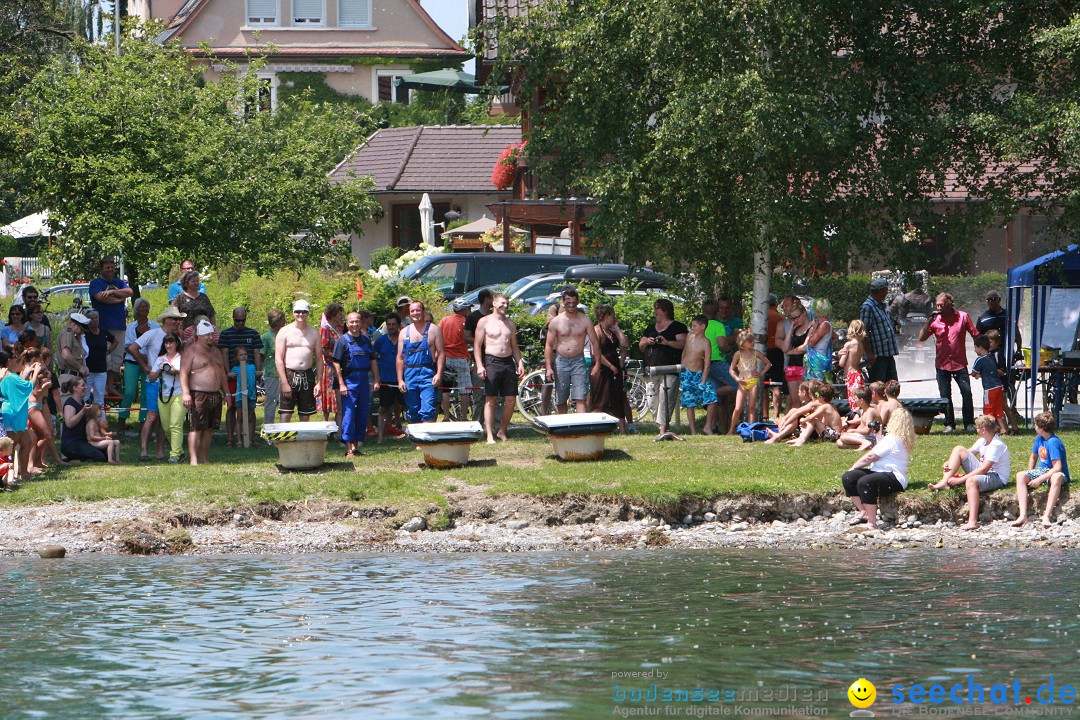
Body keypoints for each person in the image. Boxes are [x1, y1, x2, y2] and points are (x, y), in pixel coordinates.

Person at [930, 414, 1010, 530]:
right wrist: (950, 461)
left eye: (977, 427)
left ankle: (972, 521)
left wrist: (961, 479)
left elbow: (984, 469)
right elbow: (966, 453)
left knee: (971, 481)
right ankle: (944, 482)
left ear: (983, 430)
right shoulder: (982, 441)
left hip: (997, 476)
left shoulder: (996, 445)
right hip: (985, 472)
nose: (976, 430)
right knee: (958, 449)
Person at [842, 407, 915, 529]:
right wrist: (879, 438)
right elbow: (883, 451)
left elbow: (870, 456)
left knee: (865, 482)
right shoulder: (897, 439)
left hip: (894, 476)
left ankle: (872, 522)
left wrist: (854, 467)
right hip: (879, 471)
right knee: (849, 477)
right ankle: (863, 511)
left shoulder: (893, 438)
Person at [128, 307, 184, 461]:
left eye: (179, 319)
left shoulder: (177, 339)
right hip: (154, 382)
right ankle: (144, 450)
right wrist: (144, 365)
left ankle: (160, 451)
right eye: (175, 319)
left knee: (163, 420)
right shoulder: (153, 333)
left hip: (171, 383)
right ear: (166, 319)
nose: (178, 322)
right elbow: (132, 348)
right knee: (152, 417)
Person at [919, 292, 978, 433]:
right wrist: (929, 321)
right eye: (937, 305)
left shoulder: (963, 316)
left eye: (942, 305)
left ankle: (969, 423)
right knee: (945, 396)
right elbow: (921, 337)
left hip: (959, 363)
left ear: (950, 303)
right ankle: (949, 424)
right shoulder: (935, 320)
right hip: (942, 364)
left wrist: (982, 353)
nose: (939, 308)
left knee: (967, 393)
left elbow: (975, 334)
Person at [475, 293, 525, 443]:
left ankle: (502, 430)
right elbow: (477, 346)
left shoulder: (510, 323)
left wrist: (520, 362)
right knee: (491, 399)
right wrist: (479, 365)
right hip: (492, 360)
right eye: (502, 303)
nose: (505, 306)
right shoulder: (484, 322)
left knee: (511, 399)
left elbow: (514, 346)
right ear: (494, 304)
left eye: (507, 304)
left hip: (508, 361)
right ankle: (489, 434)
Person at [546, 288, 601, 415]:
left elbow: (594, 342)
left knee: (580, 397)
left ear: (578, 302)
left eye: (574, 303)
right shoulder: (556, 322)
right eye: (568, 303)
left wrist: (597, 363)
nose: (571, 306)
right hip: (561, 361)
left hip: (578, 360)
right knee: (561, 398)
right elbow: (549, 346)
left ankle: (580, 428)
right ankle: (563, 427)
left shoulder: (585, 320)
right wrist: (549, 367)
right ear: (563, 302)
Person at [181, 319, 228, 465]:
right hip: (198, 394)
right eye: (207, 335)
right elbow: (183, 373)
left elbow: (222, 373)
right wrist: (186, 393)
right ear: (199, 336)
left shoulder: (216, 352)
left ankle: (203, 457)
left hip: (215, 394)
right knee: (196, 427)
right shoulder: (191, 351)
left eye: (212, 335)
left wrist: (227, 393)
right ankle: (193, 459)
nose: (210, 337)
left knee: (209, 428)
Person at [640, 298, 687, 438]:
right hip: (651, 369)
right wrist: (647, 341)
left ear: (665, 311)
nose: (655, 311)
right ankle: (662, 425)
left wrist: (667, 342)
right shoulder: (650, 328)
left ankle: (663, 429)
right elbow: (641, 346)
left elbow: (683, 344)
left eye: (657, 308)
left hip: (670, 369)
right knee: (652, 401)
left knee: (666, 399)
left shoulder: (678, 327)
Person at [1013, 411, 1070, 528]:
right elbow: (1033, 456)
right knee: (1020, 475)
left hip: (1054, 472)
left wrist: (1039, 479)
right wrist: (1031, 472)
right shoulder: (1039, 438)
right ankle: (1023, 514)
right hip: (1042, 470)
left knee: (1057, 477)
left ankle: (1046, 516)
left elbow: (1057, 467)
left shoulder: (1053, 442)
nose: (1035, 427)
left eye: (1036, 425)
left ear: (1042, 428)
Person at [333, 312, 377, 458]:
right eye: (351, 322)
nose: (354, 324)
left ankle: (356, 447)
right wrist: (341, 384)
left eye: (357, 321)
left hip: (364, 380)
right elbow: (336, 363)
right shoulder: (342, 341)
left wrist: (376, 379)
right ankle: (348, 448)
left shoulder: (366, 340)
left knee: (362, 414)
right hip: (349, 381)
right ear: (347, 324)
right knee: (349, 414)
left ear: (361, 322)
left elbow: (372, 361)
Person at [89, 258, 134, 397]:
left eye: (112, 267)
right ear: (101, 268)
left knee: (117, 358)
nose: (110, 269)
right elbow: (100, 298)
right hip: (103, 326)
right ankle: (99, 388)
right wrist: (119, 298)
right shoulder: (96, 283)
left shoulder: (118, 282)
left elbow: (130, 292)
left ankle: (110, 386)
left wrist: (110, 292)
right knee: (105, 357)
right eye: (107, 267)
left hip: (119, 325)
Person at [396, 301, 444, 424]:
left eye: (418, 310)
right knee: (413, 411)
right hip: (410, 374)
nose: (415, 313)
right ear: (409, 313)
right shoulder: (403, 332)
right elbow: (400, 358)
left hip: (427, 373)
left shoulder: (434, 330)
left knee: (428, 409)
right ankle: (418, 442)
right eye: (412, 311)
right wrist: (400, 380)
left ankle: (428, 441)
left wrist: (438, 373)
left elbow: (442, 353)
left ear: (423, 311)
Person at [275, 300, 322, 423]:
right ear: (293, 313)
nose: (300, 315)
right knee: (286, 413)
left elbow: (319, 359)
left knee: (305, 414)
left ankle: (303, 440)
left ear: (308, 313)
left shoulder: (314, 333)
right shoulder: (284, 331)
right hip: (289, 374)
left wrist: (319, 382)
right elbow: (278, 359)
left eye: (304, 312)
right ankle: (284, 440)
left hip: (307, 374)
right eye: (298, 312)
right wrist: (284, 382)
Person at [586, 305, 630, 435]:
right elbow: (596, 352)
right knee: (601, 399)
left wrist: (617, 328)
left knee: (618, 398)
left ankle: (623, 430)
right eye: (612, 315)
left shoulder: (612, 331)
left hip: (615, 367)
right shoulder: (596, 330)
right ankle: (593, 429)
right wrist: (610, 366)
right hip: (602, 368)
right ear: (606, 316)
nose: (614, 318)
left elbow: (625, 344)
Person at [119, 297, 159, 432]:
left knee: (146, 394)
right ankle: (122, 420)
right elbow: (129, 347)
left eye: (146, 306)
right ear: (136, 310)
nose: (144, 309)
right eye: (141, 307)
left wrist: (148, 359)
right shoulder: (130, 327)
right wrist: (143, 359)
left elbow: (158, 345)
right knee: (129, 392)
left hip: (150, 363)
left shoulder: (155, 327)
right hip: (132, 362)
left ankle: (143, 422)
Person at [2, 350, 44, 479]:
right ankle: (9, 475)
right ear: (9, 360)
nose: (19, 362)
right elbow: (27, 387)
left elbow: (20, 385)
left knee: (26, 442)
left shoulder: (10, 375)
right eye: (17, 359)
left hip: (18, 413)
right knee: (10, 445)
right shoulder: (8, 376)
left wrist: (27, 373)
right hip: (12, 413)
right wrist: (36, 372)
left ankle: (23, 472)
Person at [677, 315, 718, 436]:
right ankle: (693, 431)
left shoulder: (706, 342)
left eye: (695, 326)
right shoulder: (690, 336)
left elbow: (707, 363)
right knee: (690, 403)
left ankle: (707, 426)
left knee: (712, 398)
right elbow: (685, 351)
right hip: (686, 373)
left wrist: (703, 381)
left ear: (703, 326)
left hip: (699, 374)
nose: (692, 328)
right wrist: (682, 366)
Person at [701, 299, 737, 434]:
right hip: (717, 361)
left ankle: (715, 427)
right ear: (716, 312)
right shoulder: (717, 325)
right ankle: (708, 394)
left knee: (718, 400)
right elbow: (722, 343)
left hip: (704, 363)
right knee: (737, 385)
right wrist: (729, 351)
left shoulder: (699, 326)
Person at [148, 332, 185, 463]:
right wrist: (160, 370)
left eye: (171, 342)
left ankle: (174, 455)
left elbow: (189, 373)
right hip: (163, 395)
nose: (169, 345)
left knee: (176, 425)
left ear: (177, 343)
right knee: (167, 427)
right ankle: (180, 452)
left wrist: (176, 371)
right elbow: (151, 378)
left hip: (179, 394)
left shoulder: (182, 357)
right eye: (166, 342)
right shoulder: (160, 359)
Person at [728, 329, 771, 433]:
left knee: (752, 407)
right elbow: (731, 369)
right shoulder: (738, 354)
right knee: (738, 408)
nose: (753, 343)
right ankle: (731, 430)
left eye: (753, 341)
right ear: (743, 344)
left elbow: (768, 363)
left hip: (753, 381)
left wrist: (760, 374)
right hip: (742, 383)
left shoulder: (756, 353)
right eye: (750, 341)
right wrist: (737, 378)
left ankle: (750, 430)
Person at [860, 278, 900, 383]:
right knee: (878, 387)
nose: (887, 293)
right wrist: (869, 353)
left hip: (887, 353)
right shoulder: (868, 307)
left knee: (892, 385)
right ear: (880, 291)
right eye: (885, 290)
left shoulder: (883, 305)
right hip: (877, 356)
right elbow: (864, 332)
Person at [440, 298, 474, 421]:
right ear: (464, 310)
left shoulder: (444, 320)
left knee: (445, 389)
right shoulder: (466, 322)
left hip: (446, 357)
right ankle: (464, 417)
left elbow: (438, 335)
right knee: (464, 389)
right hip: (461, 357)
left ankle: (446, 416)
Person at [60, 377, 108, 462]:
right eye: (83, 385)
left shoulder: (82, 403)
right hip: (71, 443)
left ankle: (77, 458)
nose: (86, 387)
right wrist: (83, 411)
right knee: (99, 457)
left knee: (105, 454)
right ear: (75, 388)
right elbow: (69, 424)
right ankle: (75, 460)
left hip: (82, 441)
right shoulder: (70, 403)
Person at [373, 313, 405, 442]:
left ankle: (413, 436)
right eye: (389, 324)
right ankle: (380, 438)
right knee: (383, 409)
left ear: (399, 325)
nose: (391, 327)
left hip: (402, 379)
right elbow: (373, 357)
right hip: (386, 380)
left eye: (394, 324)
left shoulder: (404, 339)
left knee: (408, 406)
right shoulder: (381, 341)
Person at [971, 335, 1008, 436]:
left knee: (988, 410)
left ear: (980, 348)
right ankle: (1003, 429)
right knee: (998, 409)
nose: (975, 350)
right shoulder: (991, 357)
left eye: (975, 348)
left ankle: (989, 429)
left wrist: (977, 374)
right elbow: (989, 370)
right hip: (999, 387)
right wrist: (981, 374)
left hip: (989, 389)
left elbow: (974, 373)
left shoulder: (980, 360)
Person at [82, 309, 118, 406]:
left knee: (99, 397)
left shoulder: (103, 332)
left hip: (101, 369)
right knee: (85, 396)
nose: (94, 320)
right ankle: (84, 418)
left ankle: (100, 419)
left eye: (96, 318)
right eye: (91, 318)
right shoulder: (84, 333)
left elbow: (115, 342)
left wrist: (108, 351)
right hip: (88, 370)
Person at [318, 303, 345, 424]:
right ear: (333, 315)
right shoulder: (325, 329)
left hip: (340, 366)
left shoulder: (339, 328)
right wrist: (336, 357)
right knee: (329, 394)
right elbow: (323, 349)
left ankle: (338, 422)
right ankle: (326, 423)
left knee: (339, 396)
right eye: (339, 314)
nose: (341, 316)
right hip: (329, 367)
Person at [226, 346, 258, 448]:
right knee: (239, 418)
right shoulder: (235, 369)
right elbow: (229, 376)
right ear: (236, 357)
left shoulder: (252, 366)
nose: (243, 356)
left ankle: (251, 439)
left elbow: (256, 375)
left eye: (245, 354)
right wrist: (229, 375)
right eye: (240, 355)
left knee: (251, 417)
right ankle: (239, 440)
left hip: (251, 395)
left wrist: (260, 373)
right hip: (240, 396)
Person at [782, 299, 811, 405]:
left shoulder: (811, 328)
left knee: (806, 400)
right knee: (794, 401)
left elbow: (805, 347)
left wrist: (791, 352)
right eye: (792, 318)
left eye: (797, 317)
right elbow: (785, 348)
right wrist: (790, 329)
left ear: (804, 313)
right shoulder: (794, 329)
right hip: (791, 367)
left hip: (803, 367)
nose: (795, 320)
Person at [836, 386, 881, 451]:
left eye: (855, 399)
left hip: (872, 437)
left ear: (862, 400)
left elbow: (867, 431)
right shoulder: (864, 410)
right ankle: (867, 445)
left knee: (843, 437)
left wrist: (853, 431)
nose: (854, 401)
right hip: (865, 436)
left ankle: (865, 443)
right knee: (839, 442)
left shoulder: (870, 411)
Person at [261, 308, 286, 425]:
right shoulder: (266, 337)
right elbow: (261, 355)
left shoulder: (285, 334)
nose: (285, 322)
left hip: (286, 373)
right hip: (272, 374)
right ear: (276, 321)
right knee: (271, 401)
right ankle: (269, 427)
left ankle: (284, 428)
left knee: (284, 403)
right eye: (282, 320)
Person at [765, 294, 786, 421]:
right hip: (777, 352)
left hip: (764, 352)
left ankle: (765, 415)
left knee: (764, 384)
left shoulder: (760, 317)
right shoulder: (780, 318)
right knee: (777, 385)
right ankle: (777, 415)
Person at [56, 313, 90, 390]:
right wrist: (80, 367)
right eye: (81, 329)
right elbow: (66, 355)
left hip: (74, 377)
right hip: (69, 377)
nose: (82, 332)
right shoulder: (67, 333)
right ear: (74, 325)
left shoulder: (75, 336)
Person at [838, 320, 867, 408]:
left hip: (851, 375)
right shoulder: (861, 344)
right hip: (858, 373)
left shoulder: (849, 345)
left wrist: (840, 355)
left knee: (853, 402)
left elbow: (841, 363)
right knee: (859, 401)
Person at [804, 298, 833, 381]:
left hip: (817, 361)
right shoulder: (826, 324)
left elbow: (811, 342)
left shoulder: (824, 325)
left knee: (815, 386)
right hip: (819, 358)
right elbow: (835, 338)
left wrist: (813, 328)